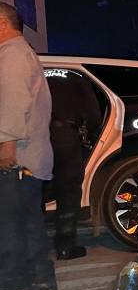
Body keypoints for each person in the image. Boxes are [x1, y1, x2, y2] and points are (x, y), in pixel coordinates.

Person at [0, 2, 57, 290]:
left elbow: (12, 102)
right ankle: (40, 277)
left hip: (17, 155)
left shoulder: (11, 55)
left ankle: (14, 285)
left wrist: (5, 146)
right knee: (28, 220)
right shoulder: (22, 53)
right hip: (31, 156)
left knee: (9, 224)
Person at [45, 67, 102, 259]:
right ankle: (65, 246)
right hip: (66, 137)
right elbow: (93, 113)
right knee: (68, 192)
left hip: (38, 137)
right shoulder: (76, 75)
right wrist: (91, 133)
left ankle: (35, 246)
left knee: (35, 189)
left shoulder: (36, 71)